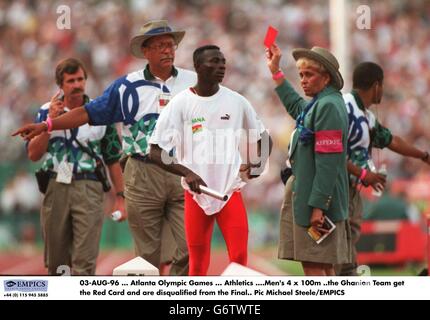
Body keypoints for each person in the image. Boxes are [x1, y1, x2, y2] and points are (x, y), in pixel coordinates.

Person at [13, 20, 196, 276]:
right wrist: (48, 124)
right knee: (147, 257)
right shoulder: (126, 86)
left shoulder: (194, 81)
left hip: (181, 171)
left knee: (189, 249)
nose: (168, 50)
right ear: (146, 50)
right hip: (142, 172)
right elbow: (89, 113)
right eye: (160, 45)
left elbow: (216, 114)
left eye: (171, 45)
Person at [149, 45, 272, 276]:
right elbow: (156, 150)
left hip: (229, 191)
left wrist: (259, 163)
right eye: (213, 62)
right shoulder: (181, 103)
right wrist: (186, 172)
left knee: (238, 259)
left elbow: (264, 137)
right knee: (197, 263)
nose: (221, 66)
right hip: (196, 194)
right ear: (197, 66)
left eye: (223, 62)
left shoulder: (236, 101)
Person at [27, 58, 125, 275]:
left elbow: (112, 159)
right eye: (71, 81)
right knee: (57, 263)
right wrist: (50, 122)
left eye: (80, 79)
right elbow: (34, 154)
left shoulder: (100, 112)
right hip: (56, 187)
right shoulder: (45, 112)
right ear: (60, 85)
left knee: (85, 261)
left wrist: (121, 197)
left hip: (89, 186)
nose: (77, 84)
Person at [337, 61, 430, 276]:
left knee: (348, 241)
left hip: (350, 189)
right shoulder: (343, 106)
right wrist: (362, 173)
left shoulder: (365, 115)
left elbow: (391, 141)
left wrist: (423, 155)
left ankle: (347, 278)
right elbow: (332, 151)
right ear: (377, 85)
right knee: (336, 245)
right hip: (337, 188)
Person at [266, 44, 351, 276]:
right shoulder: (322, 103)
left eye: (309, 75)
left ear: (326, 78)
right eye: (301, 75)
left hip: (317, 202)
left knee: (314, 267)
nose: (303, 80)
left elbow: (328, 162)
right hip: (313, 198)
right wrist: (276, 72)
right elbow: (297, 107)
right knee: (322, 266)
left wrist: (318, 207)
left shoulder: (329, 106)